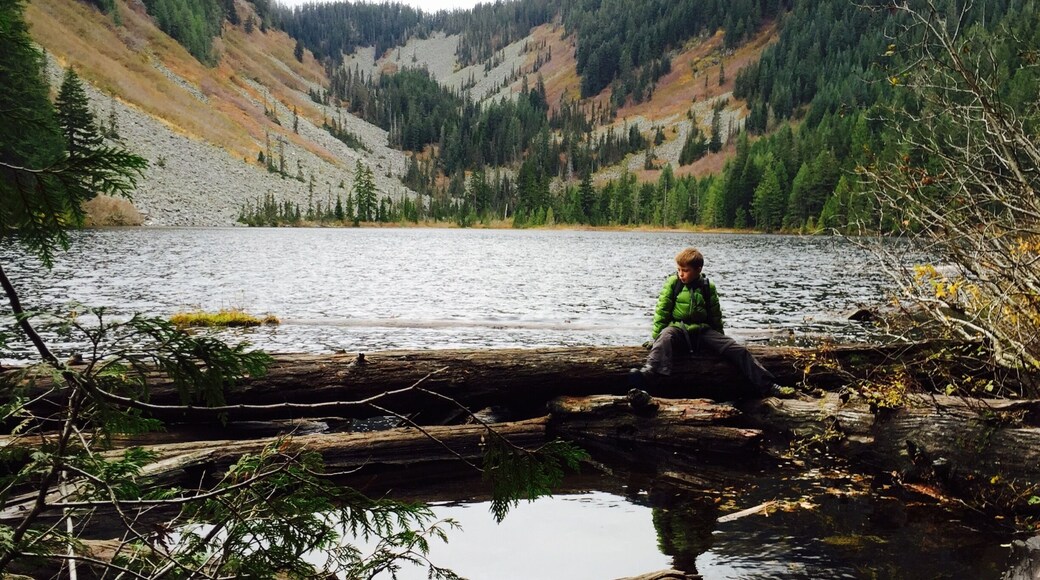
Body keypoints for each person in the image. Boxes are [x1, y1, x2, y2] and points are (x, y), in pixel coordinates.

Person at [629, 247, 790, 398]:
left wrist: (721, 342)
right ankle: (648, 375)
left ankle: (768, 385)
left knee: (738, 350)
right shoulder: (673, 283)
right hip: (678, 329)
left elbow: (715, 315)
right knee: (665, 336)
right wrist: (655, 338)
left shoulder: (707, 286)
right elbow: (662, 312)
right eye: (679, 270)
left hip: (702, 331)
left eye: (685, 270)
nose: (681, 274)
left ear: (698, 270)